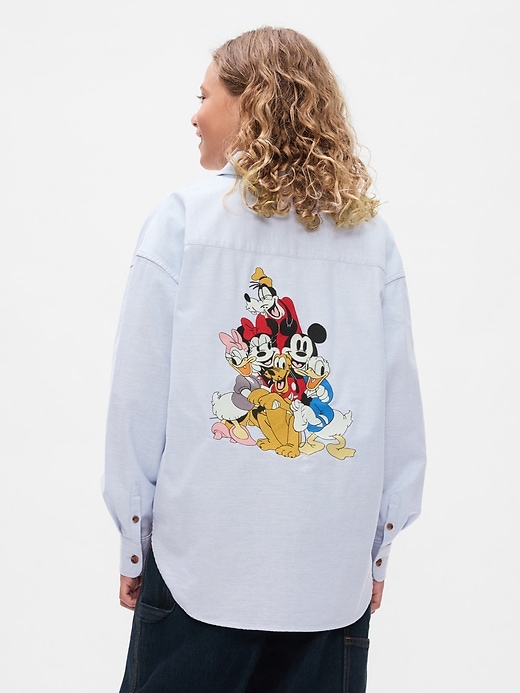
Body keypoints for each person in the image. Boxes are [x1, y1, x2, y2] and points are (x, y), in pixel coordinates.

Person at [103, 26, 426, 693]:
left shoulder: (183, 221)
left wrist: (135, 536)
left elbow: (138, 398)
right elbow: (399, 419)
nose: (195, 115)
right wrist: (377, 551)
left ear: (252, 102)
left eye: (205, 96)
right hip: (327, 582)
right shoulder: (371, 240)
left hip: (199, 571)